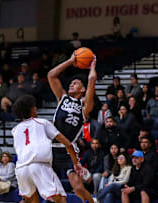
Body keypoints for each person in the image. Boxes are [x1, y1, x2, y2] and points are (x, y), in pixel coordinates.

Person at [11, 95, 82, 203]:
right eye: (34, 107)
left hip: (21, 169)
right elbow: (68, 144)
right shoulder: (42, 123)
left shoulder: (15, 130)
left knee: (32, 200)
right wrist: (76, 162)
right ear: (31, 109)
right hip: (39, 165)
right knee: (61, 199)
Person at [48, 53, 97, 203]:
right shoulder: (62, 97)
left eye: (75, 83)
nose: (71, 84)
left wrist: (92, 66)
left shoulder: (85, 107)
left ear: (82, 90)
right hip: (50, 149)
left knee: (78, 188)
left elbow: (91, 79)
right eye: (71, 83)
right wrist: (70, 61)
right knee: (48, 190)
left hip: (68, 151)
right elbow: (51, 75)